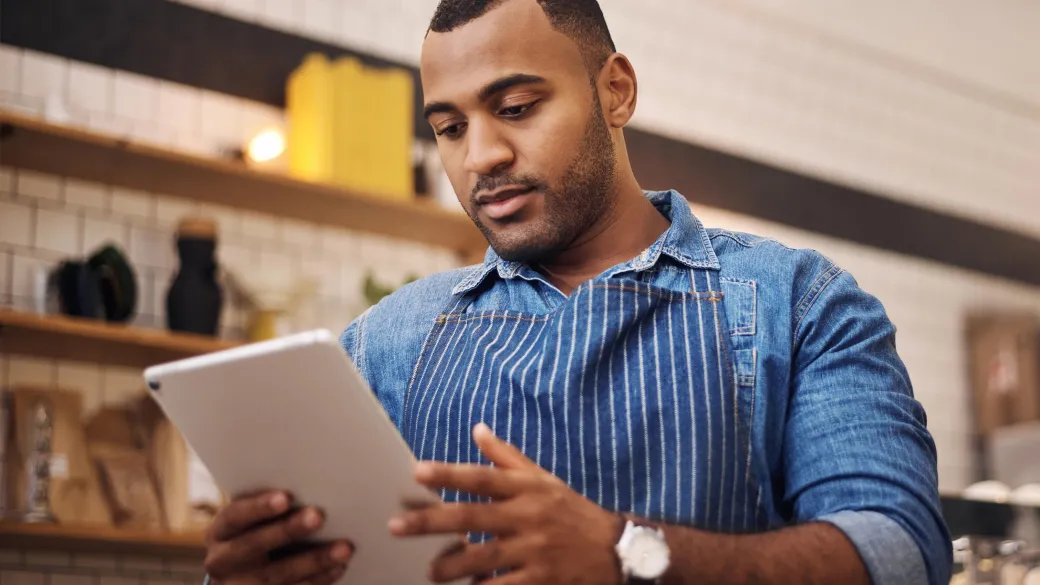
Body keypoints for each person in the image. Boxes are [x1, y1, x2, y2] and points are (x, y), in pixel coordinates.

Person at [200, 0, 952, 584]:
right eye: (451, 127)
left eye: (517, 108)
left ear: (615, 91)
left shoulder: (799, 301)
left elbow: (900, 551)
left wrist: (628, 552)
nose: (482, 157)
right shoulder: (386, 341)